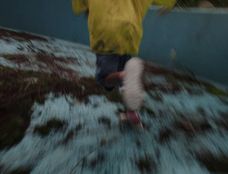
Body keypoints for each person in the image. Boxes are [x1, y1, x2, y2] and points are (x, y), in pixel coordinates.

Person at [72, 0, 176, 130]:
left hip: (105, 34)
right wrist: (170, 4)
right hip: (129, 33)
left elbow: (78, 7)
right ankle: (131, 114)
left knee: (105, 79)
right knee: (127, 82)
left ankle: (124, 75)